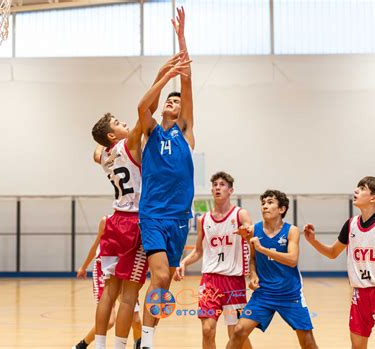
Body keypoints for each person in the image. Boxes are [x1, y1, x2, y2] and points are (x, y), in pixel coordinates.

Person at [137, 7, 193, 349]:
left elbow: (187, 83)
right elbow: (142, 106)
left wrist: (182, 39)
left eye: (176, 101)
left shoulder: (186, 133)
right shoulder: (151, 131)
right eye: (168, 100)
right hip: (154, 213)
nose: (173, 102)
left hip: (179, 218)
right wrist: (162, 74)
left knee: (164, 283)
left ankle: (147, 333)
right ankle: (146, 343)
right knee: (159, 275)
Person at [303, 176, 375, 349]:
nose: (356, 191)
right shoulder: (351, 224)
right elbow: (332, 253)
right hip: (360, 293)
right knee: (357, 346)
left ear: (373, 198)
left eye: (362, 188)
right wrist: (313, 241)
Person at [227, 190, 318, 349]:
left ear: (281, 209)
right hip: (264, 293)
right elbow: (253, 258)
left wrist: (263, 249)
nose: (265, 206)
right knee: (239, 330)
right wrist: (253, 275)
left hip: (290, 294)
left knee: (308, 342)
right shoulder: (254, 230)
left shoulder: (291, 231)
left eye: (270, 203)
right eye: (263, 203)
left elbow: (292, 260)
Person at [174, 172, 253, 349]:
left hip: (234, 282)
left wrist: (248, 234)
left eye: (222, 184)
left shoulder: (240, 214)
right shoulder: (204, 219)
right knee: (207, 330)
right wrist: (183, 263)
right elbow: (198, 251)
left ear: (231, 190)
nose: (218, 187)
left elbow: (253, 239)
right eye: (215, 184)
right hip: (210, 282)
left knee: (237, 334)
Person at [90, 113, 147, 349]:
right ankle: (119, 347)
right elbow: (145, 114)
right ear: (112, 135)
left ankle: (101, 346)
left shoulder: (104, 155)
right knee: (129, 296)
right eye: (117, 123)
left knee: (109, 293)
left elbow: (96, 152)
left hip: (114, 221)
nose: (123, 122)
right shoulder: (130, 142)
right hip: (134, 223)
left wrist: (106, 133)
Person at [73, 217, 142, 349]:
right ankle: (81, 345)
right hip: (104, 269)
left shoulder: (139, 222)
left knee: (136, 321)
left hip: (126, 270)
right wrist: (84, 266)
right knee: (109, 322)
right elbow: (95, 246)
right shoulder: (107, 221)